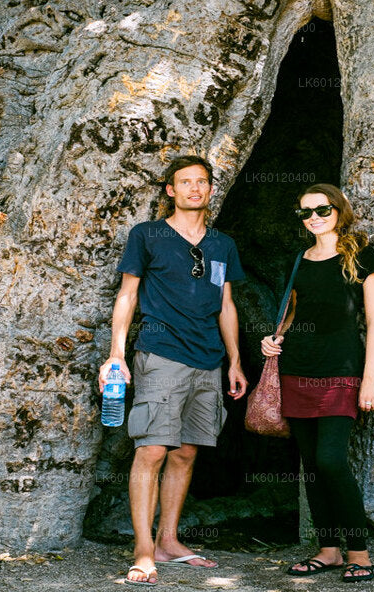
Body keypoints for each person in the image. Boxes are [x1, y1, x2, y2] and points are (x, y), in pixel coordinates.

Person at [100, 155, 249, 587]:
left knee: (186, 451)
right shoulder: (147, 236)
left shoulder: (222, 243)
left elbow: (226, 304)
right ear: (170, 190)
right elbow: (127, 296)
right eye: (185, 182)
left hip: (208, 359)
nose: (194, 189)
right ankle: (143, 549)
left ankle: (168, 541)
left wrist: (235, 359)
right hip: (162, 352)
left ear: (210, 189)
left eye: (202, 182)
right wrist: (116, 354)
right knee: (152, 449)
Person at [261, 183, 374, 583]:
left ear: (339, 210)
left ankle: (359, 553)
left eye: (322, 208)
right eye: (305, 212)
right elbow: (293, 316)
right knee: (312, 466)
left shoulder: (362, 256)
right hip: (297, 369)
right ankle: (329, 550)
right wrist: (272, 339)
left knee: (332, 460)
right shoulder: (299, 259)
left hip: (342, 371)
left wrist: (370, 380)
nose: (314, 216)